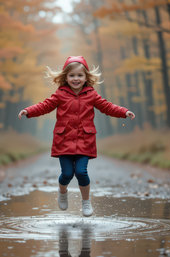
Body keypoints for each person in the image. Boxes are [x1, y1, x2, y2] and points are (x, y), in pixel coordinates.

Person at [18, 56, 135, 217]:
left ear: (86, 77)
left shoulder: (91, 94)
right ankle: (62, 190)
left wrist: (124, 112)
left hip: (85, 140)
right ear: (65, 77)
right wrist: (28, 110)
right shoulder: (60, 94)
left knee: (81, 172)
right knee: (67, 174)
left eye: (80, 75)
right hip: (64, 140)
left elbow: (107, 107)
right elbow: (44, 106)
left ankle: (86, 202)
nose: (76, 79)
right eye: (72, 75)